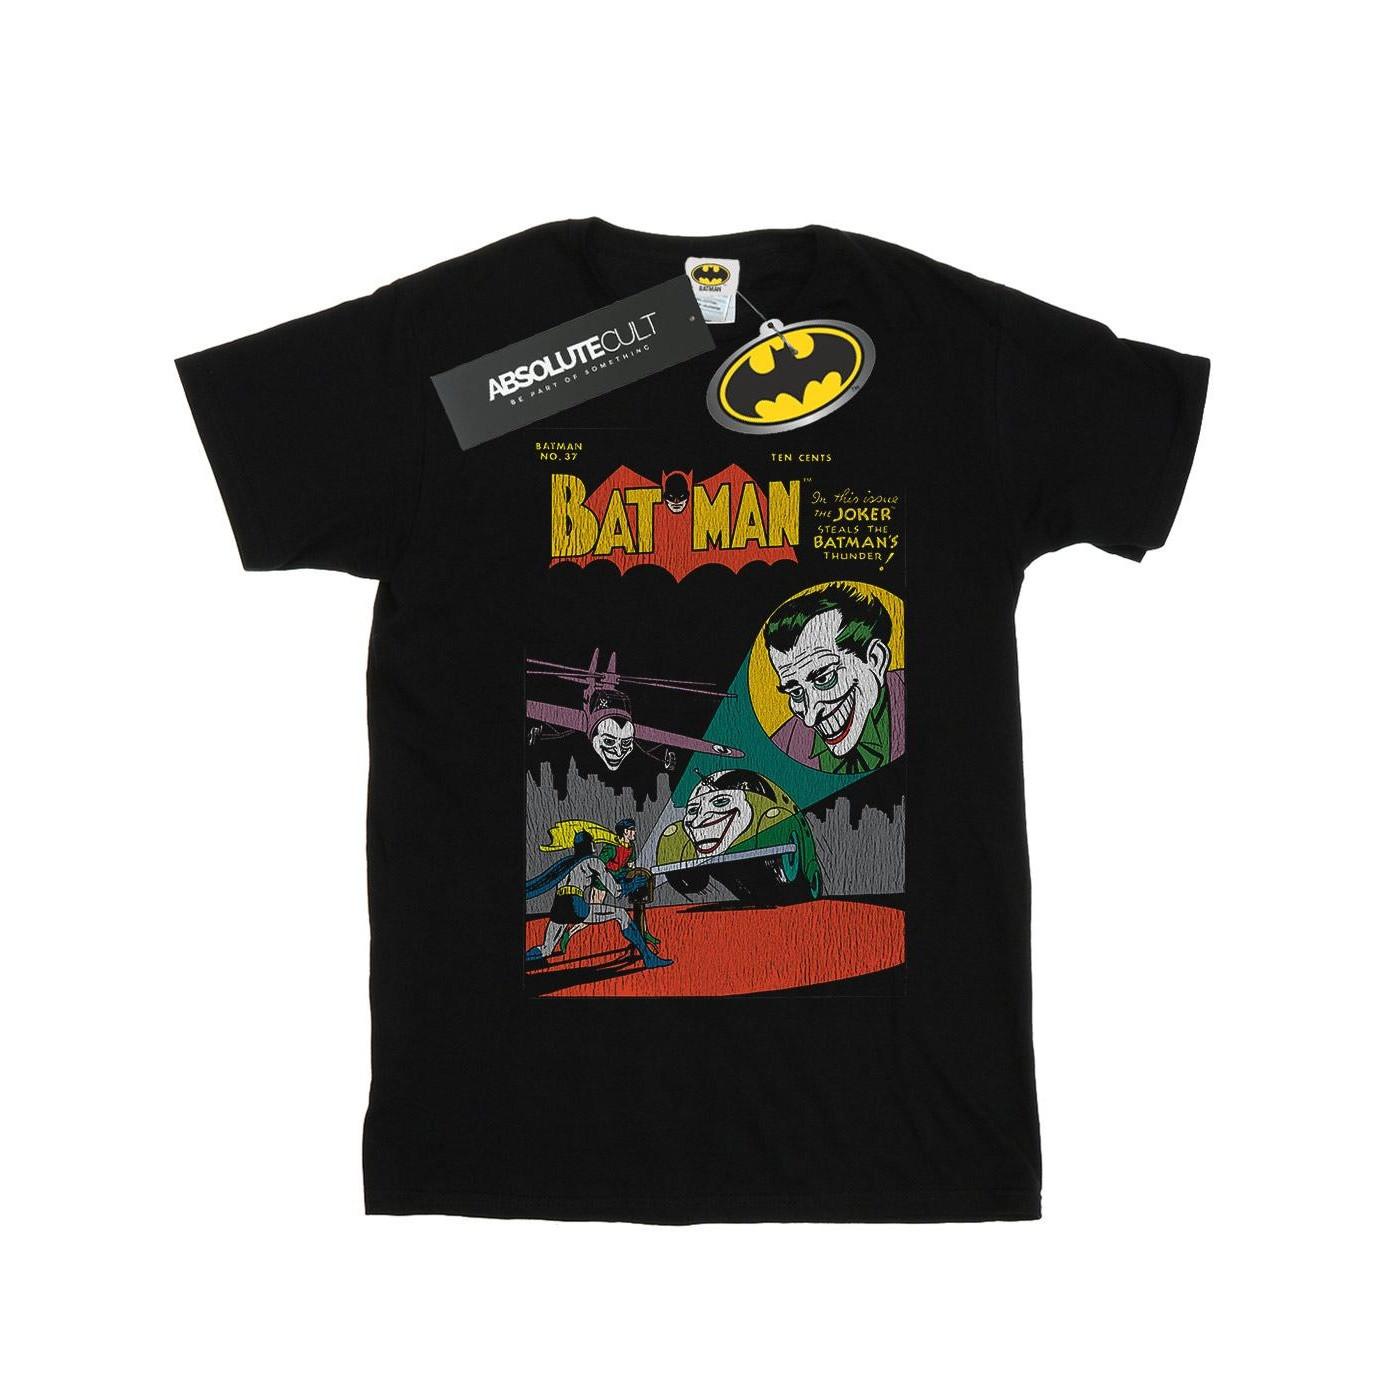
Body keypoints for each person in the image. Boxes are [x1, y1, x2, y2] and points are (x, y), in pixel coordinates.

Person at [763, 583, 905, 774]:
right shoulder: (784, 745)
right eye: (796, 692)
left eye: (824, 679)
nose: (810, 718)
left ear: (875, 660)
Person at [524, 829, 671, 969]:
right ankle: (649, 958)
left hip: (558, 909)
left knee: (546, 949)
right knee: (621, 914)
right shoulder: (594, 862)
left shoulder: (565, 863)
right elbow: (616, 891)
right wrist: (633, 884)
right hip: (576, 906)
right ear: (590, 845)